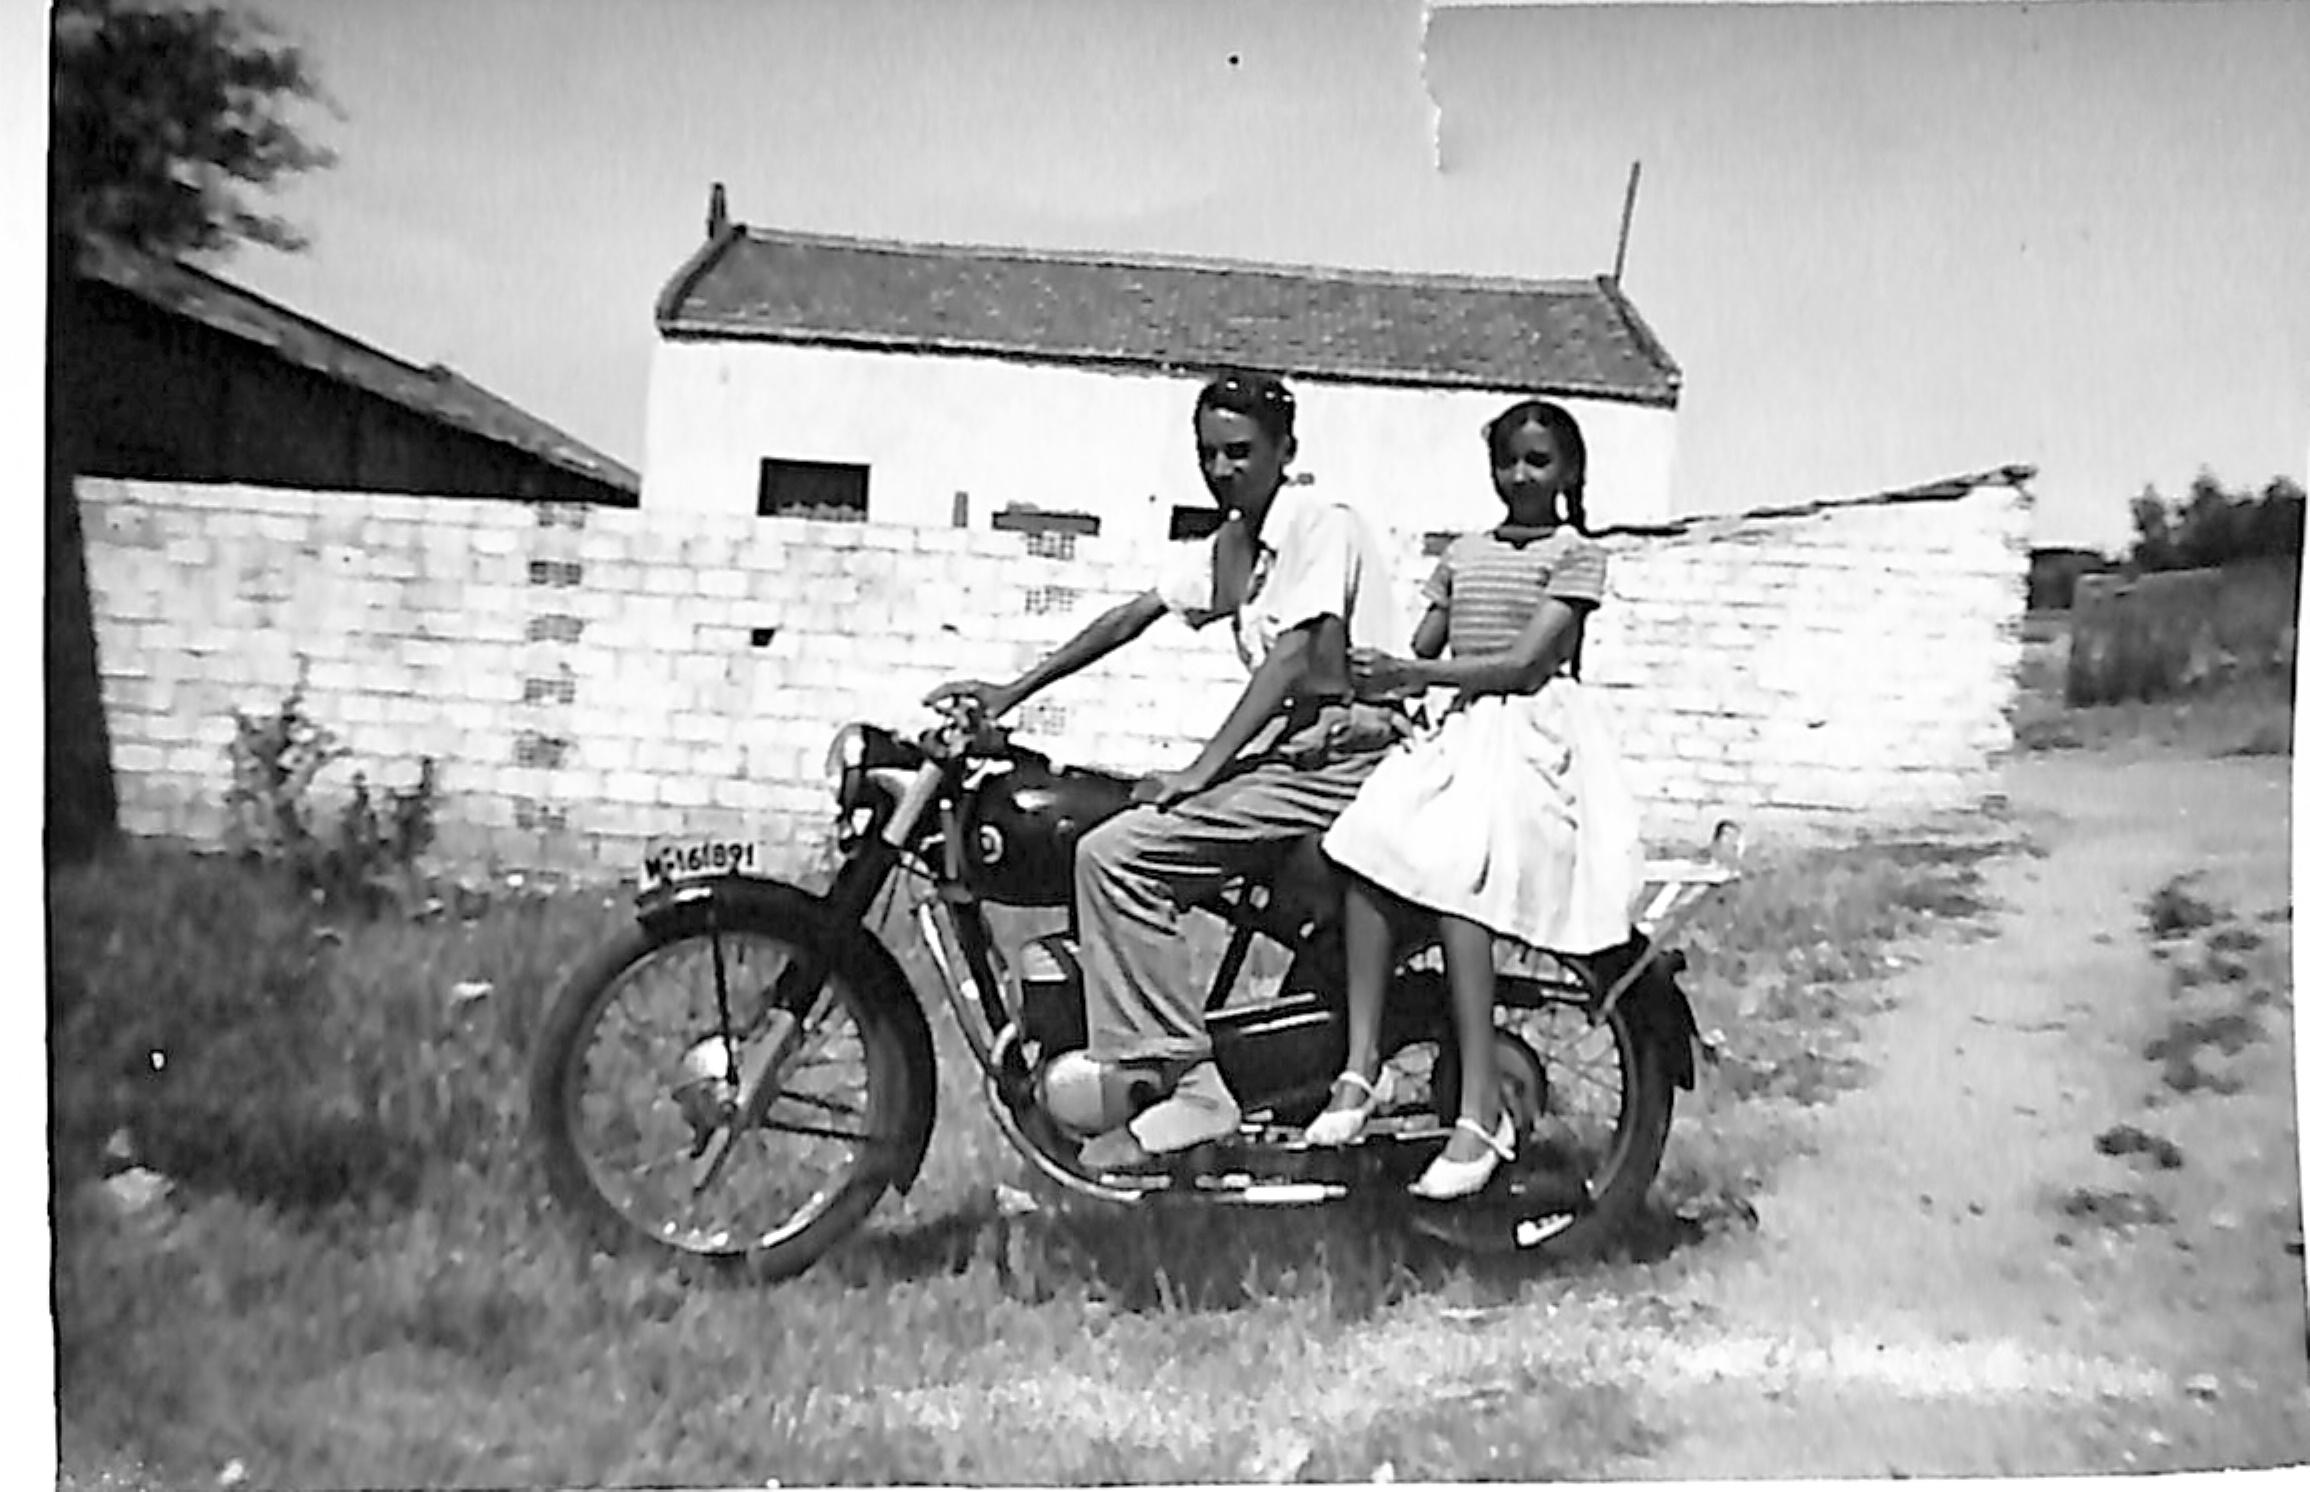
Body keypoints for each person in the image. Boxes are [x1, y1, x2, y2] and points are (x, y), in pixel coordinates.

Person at [924, 370, 1408, 1175]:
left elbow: (1294, 658)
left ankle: (1189, 1083)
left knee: (1115, 855)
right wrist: (1012, 691)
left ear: (1285, 450)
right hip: (1295, 754)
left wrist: (1198, 772)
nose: (1222, 470)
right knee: (1110, 823)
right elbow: (1135, 614)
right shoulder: (1236, 544)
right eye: (1208, 454)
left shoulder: (1319, 525)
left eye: (1241, 453)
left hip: (1346, 755)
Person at [1305, 397, 1644, 1201]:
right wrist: (1356, 683)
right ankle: (1360, 1068)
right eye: (1508, 461)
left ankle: (1479, 1108)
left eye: (1539, 462)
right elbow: (1417, 646)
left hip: (1531, 738)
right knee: (1364, 846)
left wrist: (1416, 677)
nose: (1521, 477)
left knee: (1469, 880)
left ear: (1568, 473)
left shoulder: (1574, 556)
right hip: (1461, 730)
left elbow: (1527, 664)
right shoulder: (1466, 551)